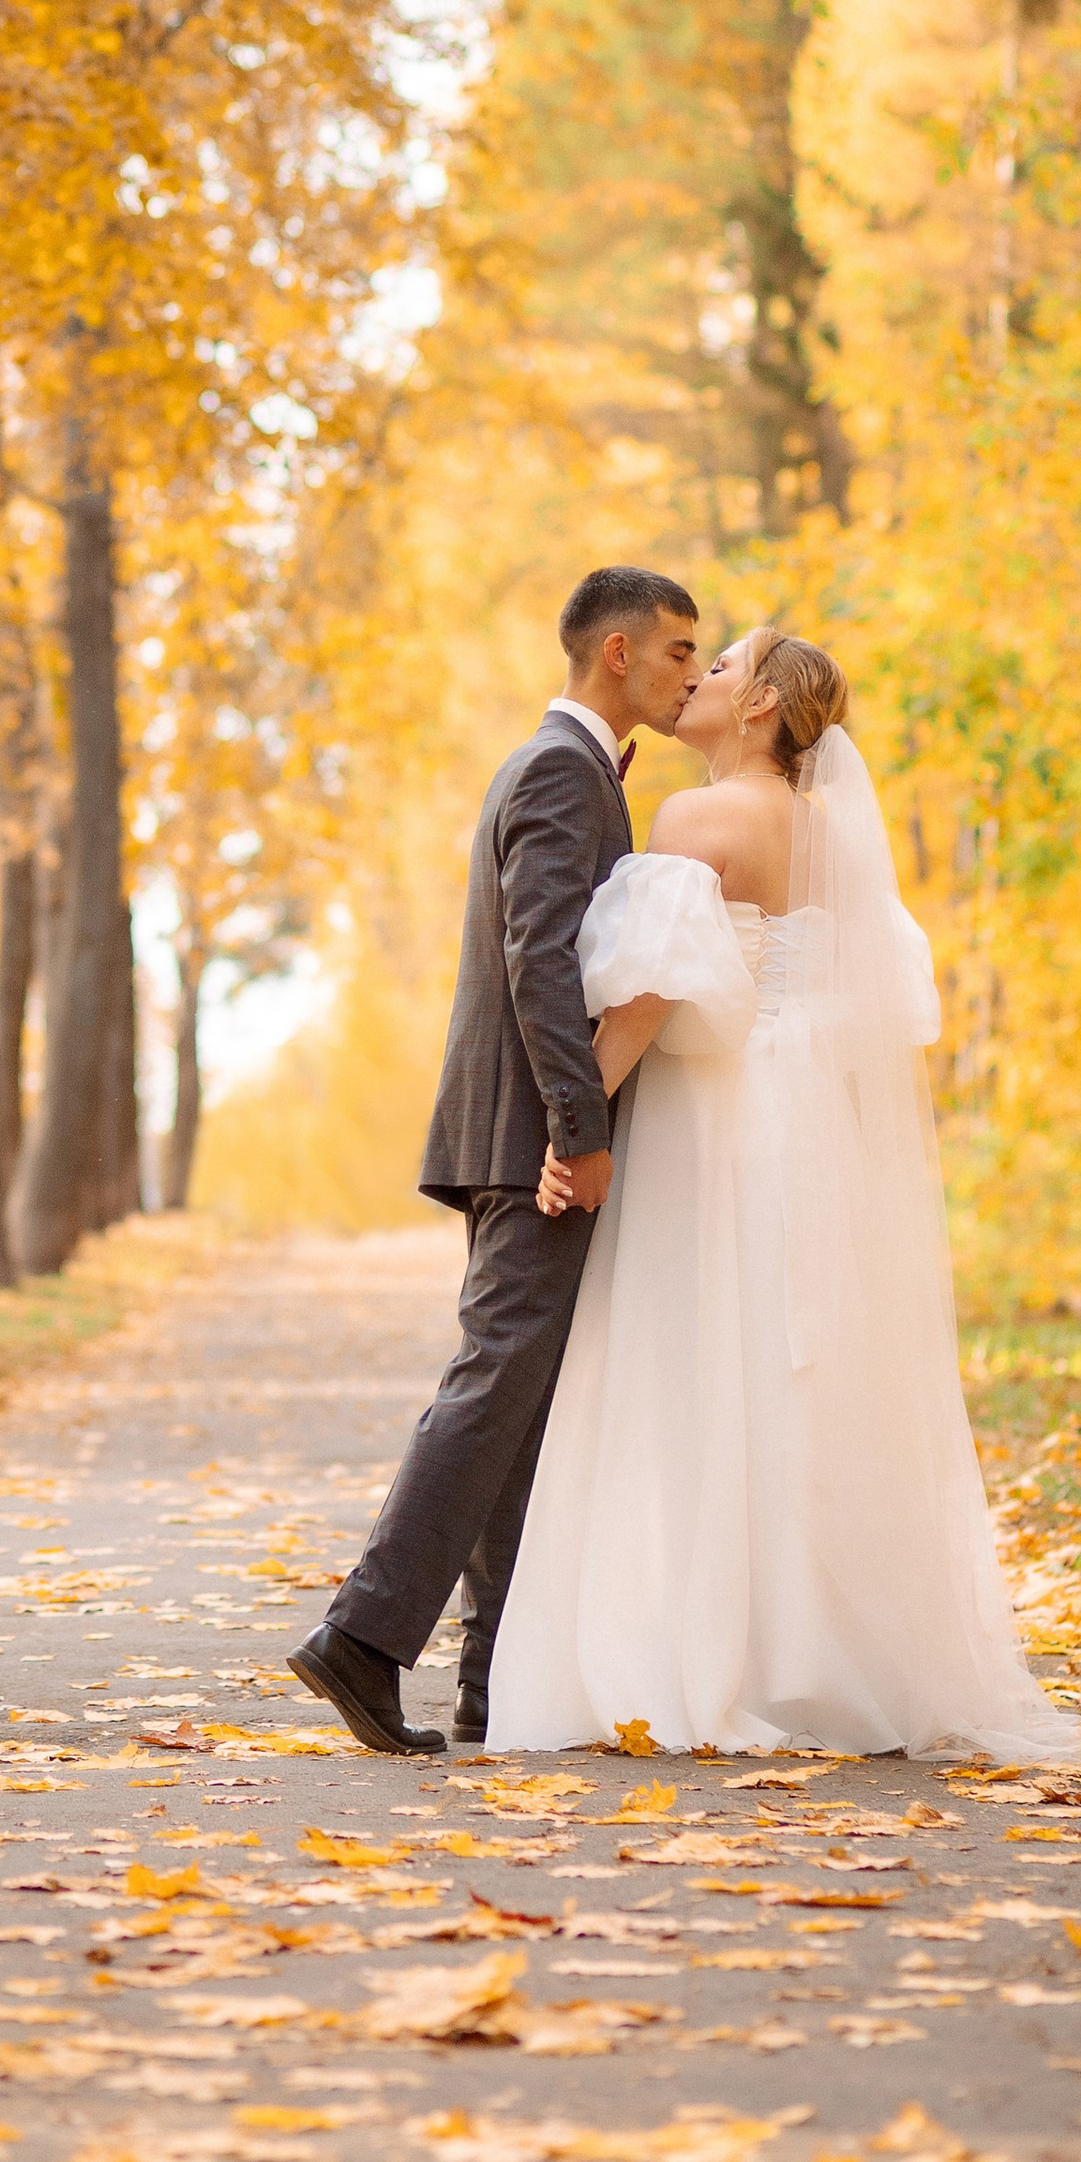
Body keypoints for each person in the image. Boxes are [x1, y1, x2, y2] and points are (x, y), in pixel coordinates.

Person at [487, 625, 1081, 1762]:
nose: (695, 680)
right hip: (808, 1119)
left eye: (718, 668)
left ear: (760, 703)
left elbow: (648, 995)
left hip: (714, 1115)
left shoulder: (696, 819)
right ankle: (822, 1656)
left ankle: (704, 1653)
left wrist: (571, 1127)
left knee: (697, 1360)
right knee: (797, 1367)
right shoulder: (832, 838)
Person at [286, 566, 701, 1757]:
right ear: (617, 653)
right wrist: (580, 1132)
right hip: (533, 1140)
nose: (689, 673)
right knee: (495, 1383)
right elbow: (539, 960)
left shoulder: (567, 769)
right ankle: (363, 1638)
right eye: (678, 650)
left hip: (517, 1131)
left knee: (519, 1401)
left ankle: (491, 1678)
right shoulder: (562, 772)